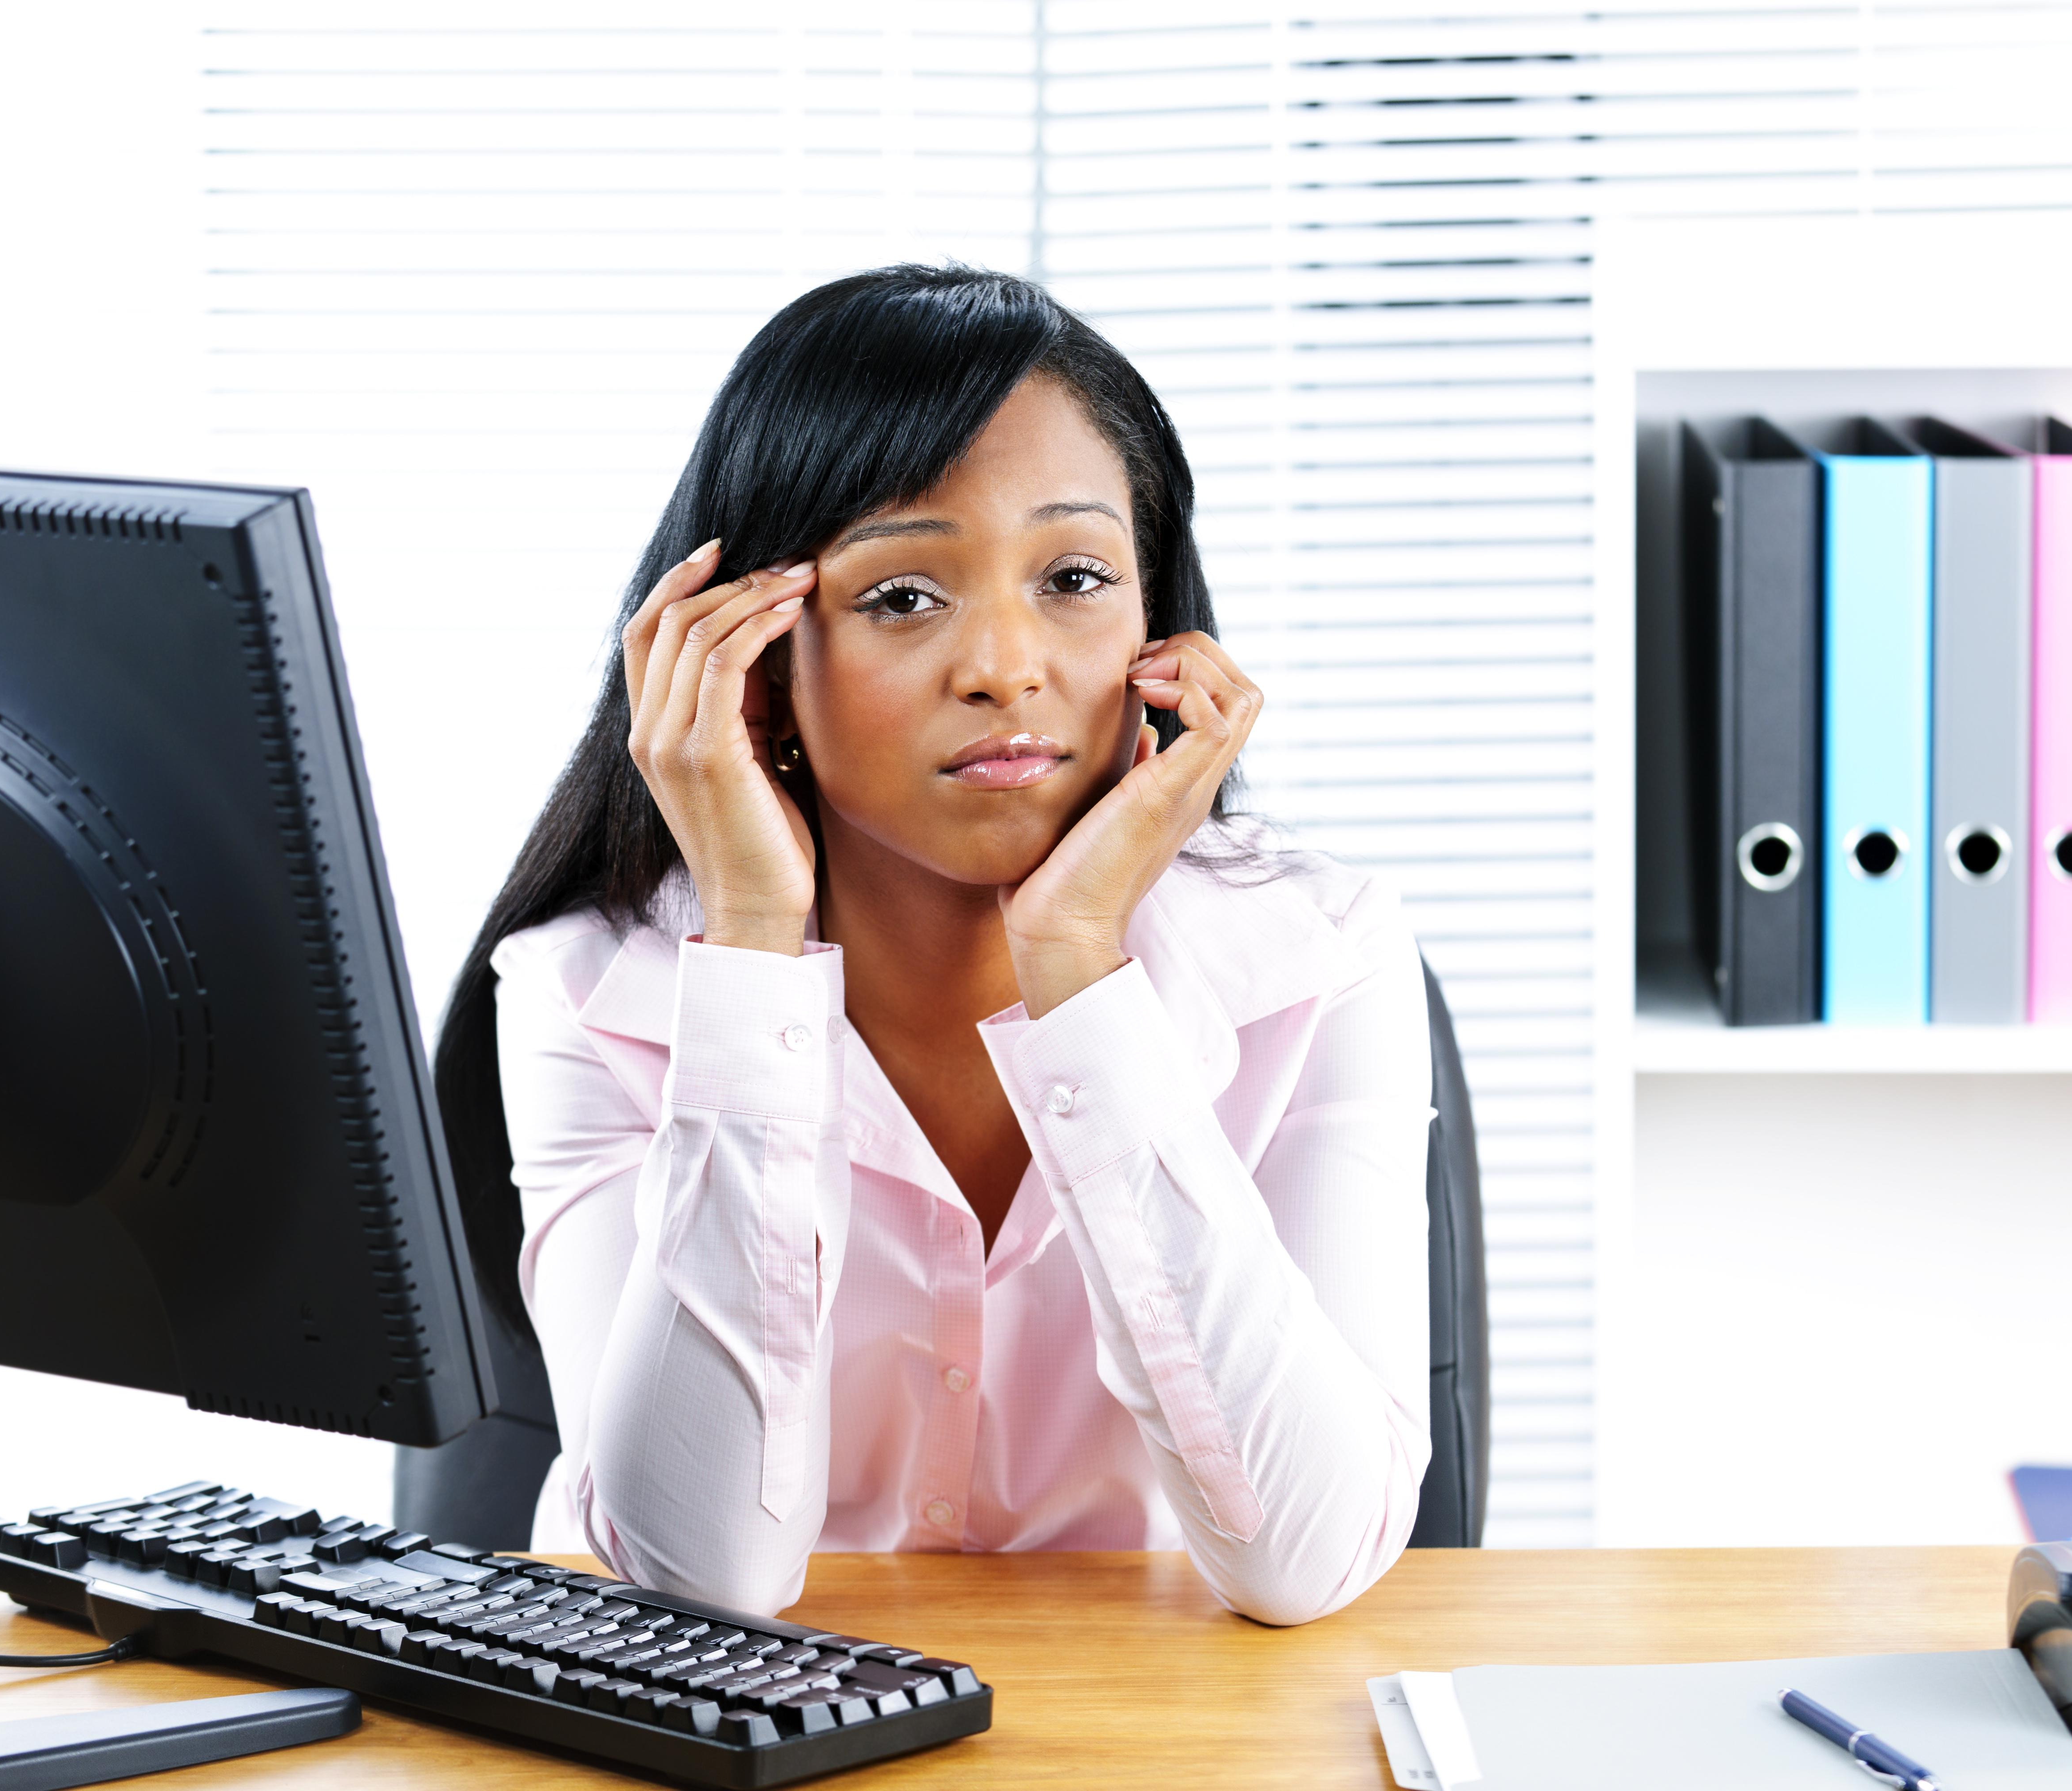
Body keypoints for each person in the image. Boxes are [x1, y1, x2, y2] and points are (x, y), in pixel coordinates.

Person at [433, 265, 1432, 1627]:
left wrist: (1081, 963)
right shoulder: (590, 995)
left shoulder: (1322, 960)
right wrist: (751, 946)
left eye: (1075, 576)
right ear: (758, 656)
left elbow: (1302, 1561)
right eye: (907, 597)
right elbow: (702, 1577)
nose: (1007, 667)